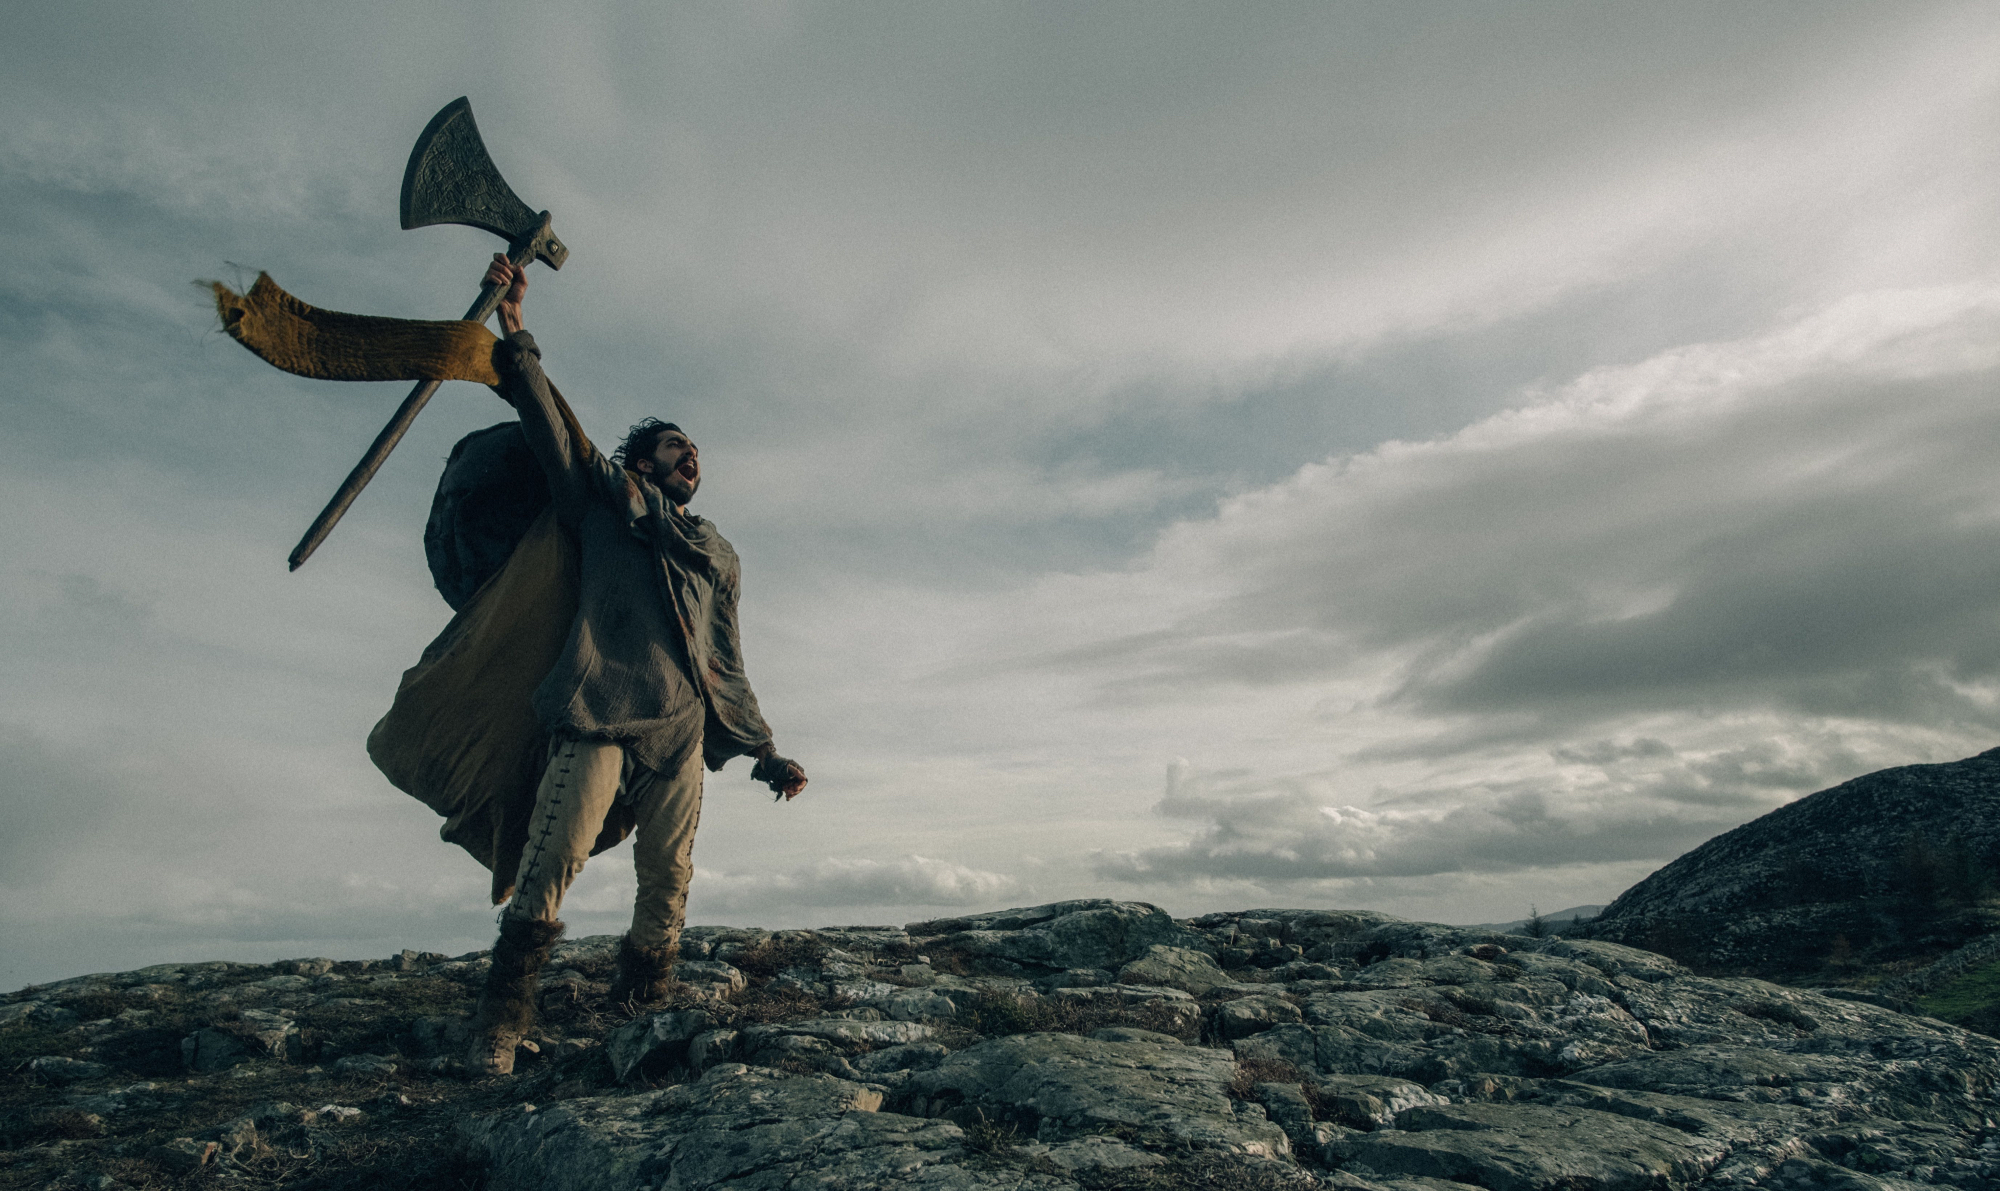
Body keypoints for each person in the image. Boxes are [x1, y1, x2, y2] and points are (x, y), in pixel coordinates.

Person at [466, 253, 807, 1074]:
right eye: (673, 447)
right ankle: (498, 1029)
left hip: (681, 731)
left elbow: (723, 653)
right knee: (552, 861)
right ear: (642, 459)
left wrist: (763, 751)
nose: (690, 457)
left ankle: (639, 1013)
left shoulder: (715, 550)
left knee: (669, 881)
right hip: (598, 708)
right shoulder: (601, 503)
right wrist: (516, 327)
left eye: (695, 450)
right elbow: (550, 425)